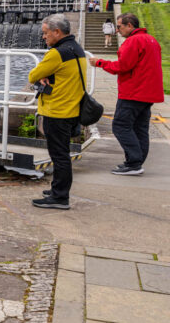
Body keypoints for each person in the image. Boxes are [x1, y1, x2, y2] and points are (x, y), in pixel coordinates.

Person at [92, 12, 165, 175]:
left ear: (129, 25)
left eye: (119, 27)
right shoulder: (151, 40)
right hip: (149, 92)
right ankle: (136, 162)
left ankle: (133, 163)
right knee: (140, 128)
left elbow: (121, 66)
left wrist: (99, 62)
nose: (117, 30)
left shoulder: (133, 41)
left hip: (133, 92)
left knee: (120, 125)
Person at [28, 14, 87, 209]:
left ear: (57, 32)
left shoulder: (57, 53)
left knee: (59, 156)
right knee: (62, 154)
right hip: (72, 109)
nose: (44, 37)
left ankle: (60, 197)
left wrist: (43, 75)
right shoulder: (77, 49)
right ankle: (57, 190)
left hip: (58, 111)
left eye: (46, 33)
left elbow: (33, 75)